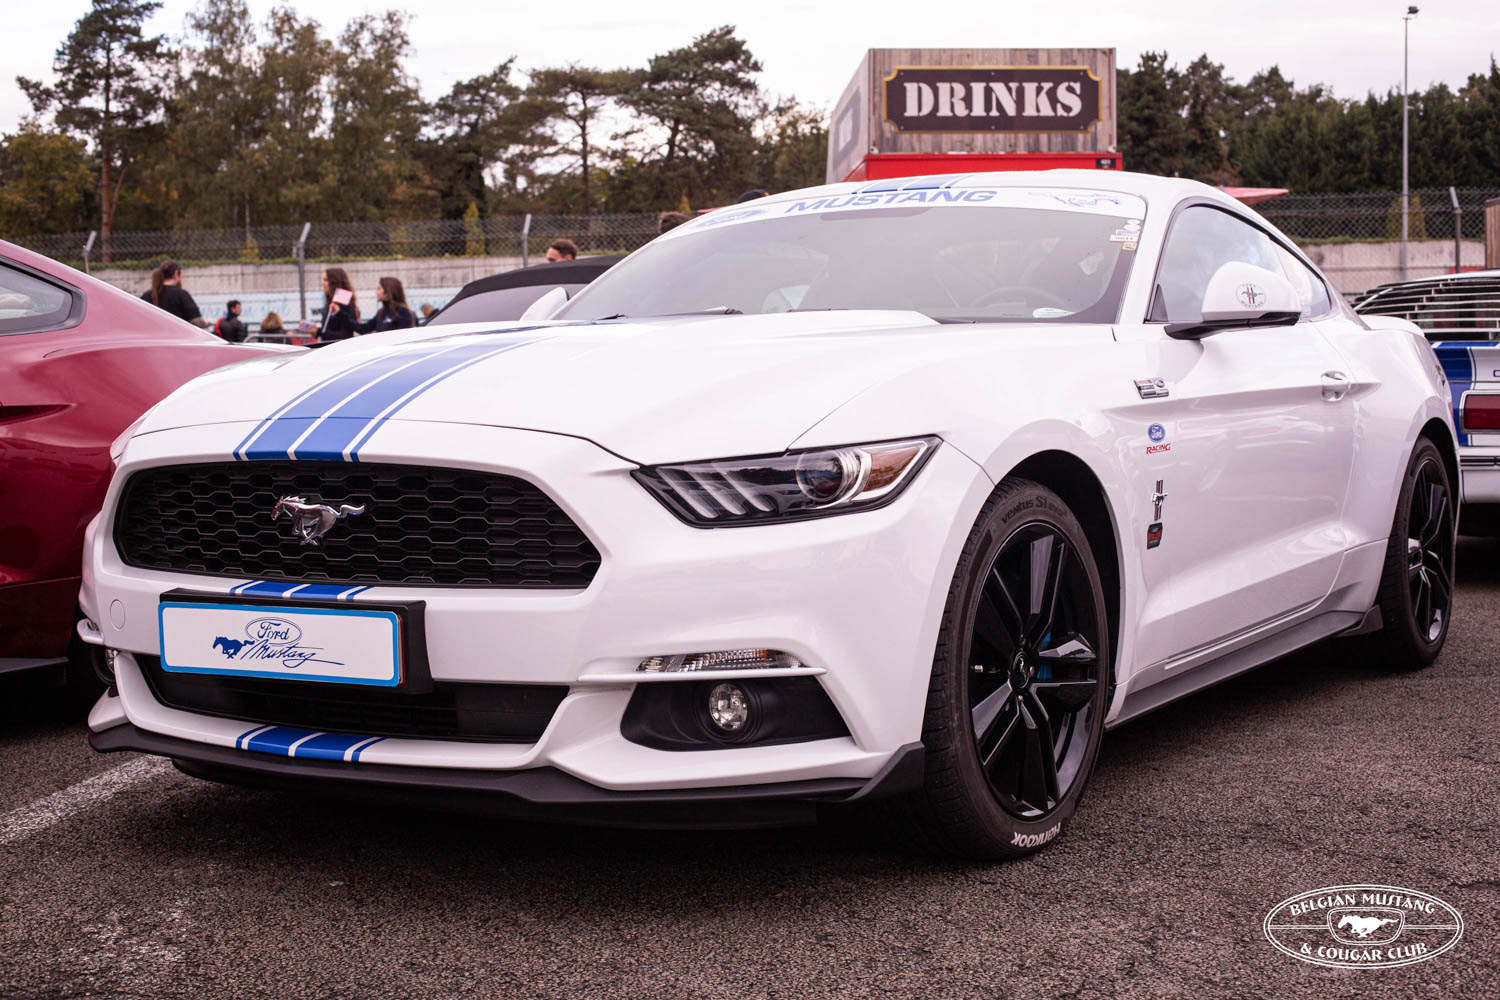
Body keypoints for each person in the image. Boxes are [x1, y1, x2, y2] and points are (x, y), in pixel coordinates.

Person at [141, 260, 209, 327]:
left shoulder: (147, 295)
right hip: (178, 333)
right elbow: (196, 321)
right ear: (176, 274)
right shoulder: (181, 294)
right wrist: (207, 323)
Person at [319, 267, 360, 341]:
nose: (322, 283)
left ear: (334, 282)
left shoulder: (343, 300)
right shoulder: (330, 302)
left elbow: (346, 335)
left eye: (326, 280)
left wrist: (319, 332)